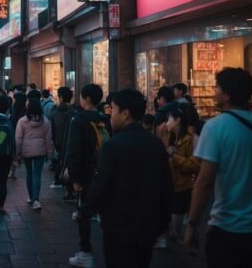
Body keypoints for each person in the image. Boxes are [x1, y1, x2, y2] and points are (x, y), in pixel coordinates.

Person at [80, 89, 173, 268]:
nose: (110, 115)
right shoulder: (155, 144)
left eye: (113, 110)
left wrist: (85, 210)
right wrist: (163, 222)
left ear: (125, 113)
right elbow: (166, 186)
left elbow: (100, 184)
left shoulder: (113, 146)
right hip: (148, 225)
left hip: (118, 226)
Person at [183, 68, 252, 268]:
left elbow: (204, 181)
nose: (214, 91)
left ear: (227, 95)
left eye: (217, 87)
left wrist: (192, 225)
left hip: (227, 227)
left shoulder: (215, 127)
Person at [66, 84, 112, 267]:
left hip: (85, 173)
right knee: (105, 211)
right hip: (104, 172)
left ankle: (86, 252)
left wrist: (75, 179)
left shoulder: (79, 120)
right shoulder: (105, 120)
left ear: (86, 98)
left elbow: (74, 151)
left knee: (83, 212)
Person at [160, 108, 199, 246]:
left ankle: (186, 241)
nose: (167, 122)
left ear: (177, 120)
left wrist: (174, 156)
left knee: (179, 214)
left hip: (184, 185)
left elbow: (193, 165)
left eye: (170, 119)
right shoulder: (170, 137)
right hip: (173, 184)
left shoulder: (189, 140)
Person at [15, 98, 54, 210]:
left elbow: (18, 139)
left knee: (29, 173)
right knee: (37, 174)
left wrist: (17, 154)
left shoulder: (22, 121)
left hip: (26, 151)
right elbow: (49, 139)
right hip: (40, 151)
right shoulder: (45, 121)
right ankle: (36, 200)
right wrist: (50, 153)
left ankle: (31, 197)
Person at [50, 87, 75, 195]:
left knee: (62, 161)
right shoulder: (74, 111)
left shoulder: (56, 112)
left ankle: (62, 183)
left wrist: (55, 141)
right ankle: (69, 188)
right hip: (72, 141)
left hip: (60, 142)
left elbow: (54, 130)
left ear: (61, 97)